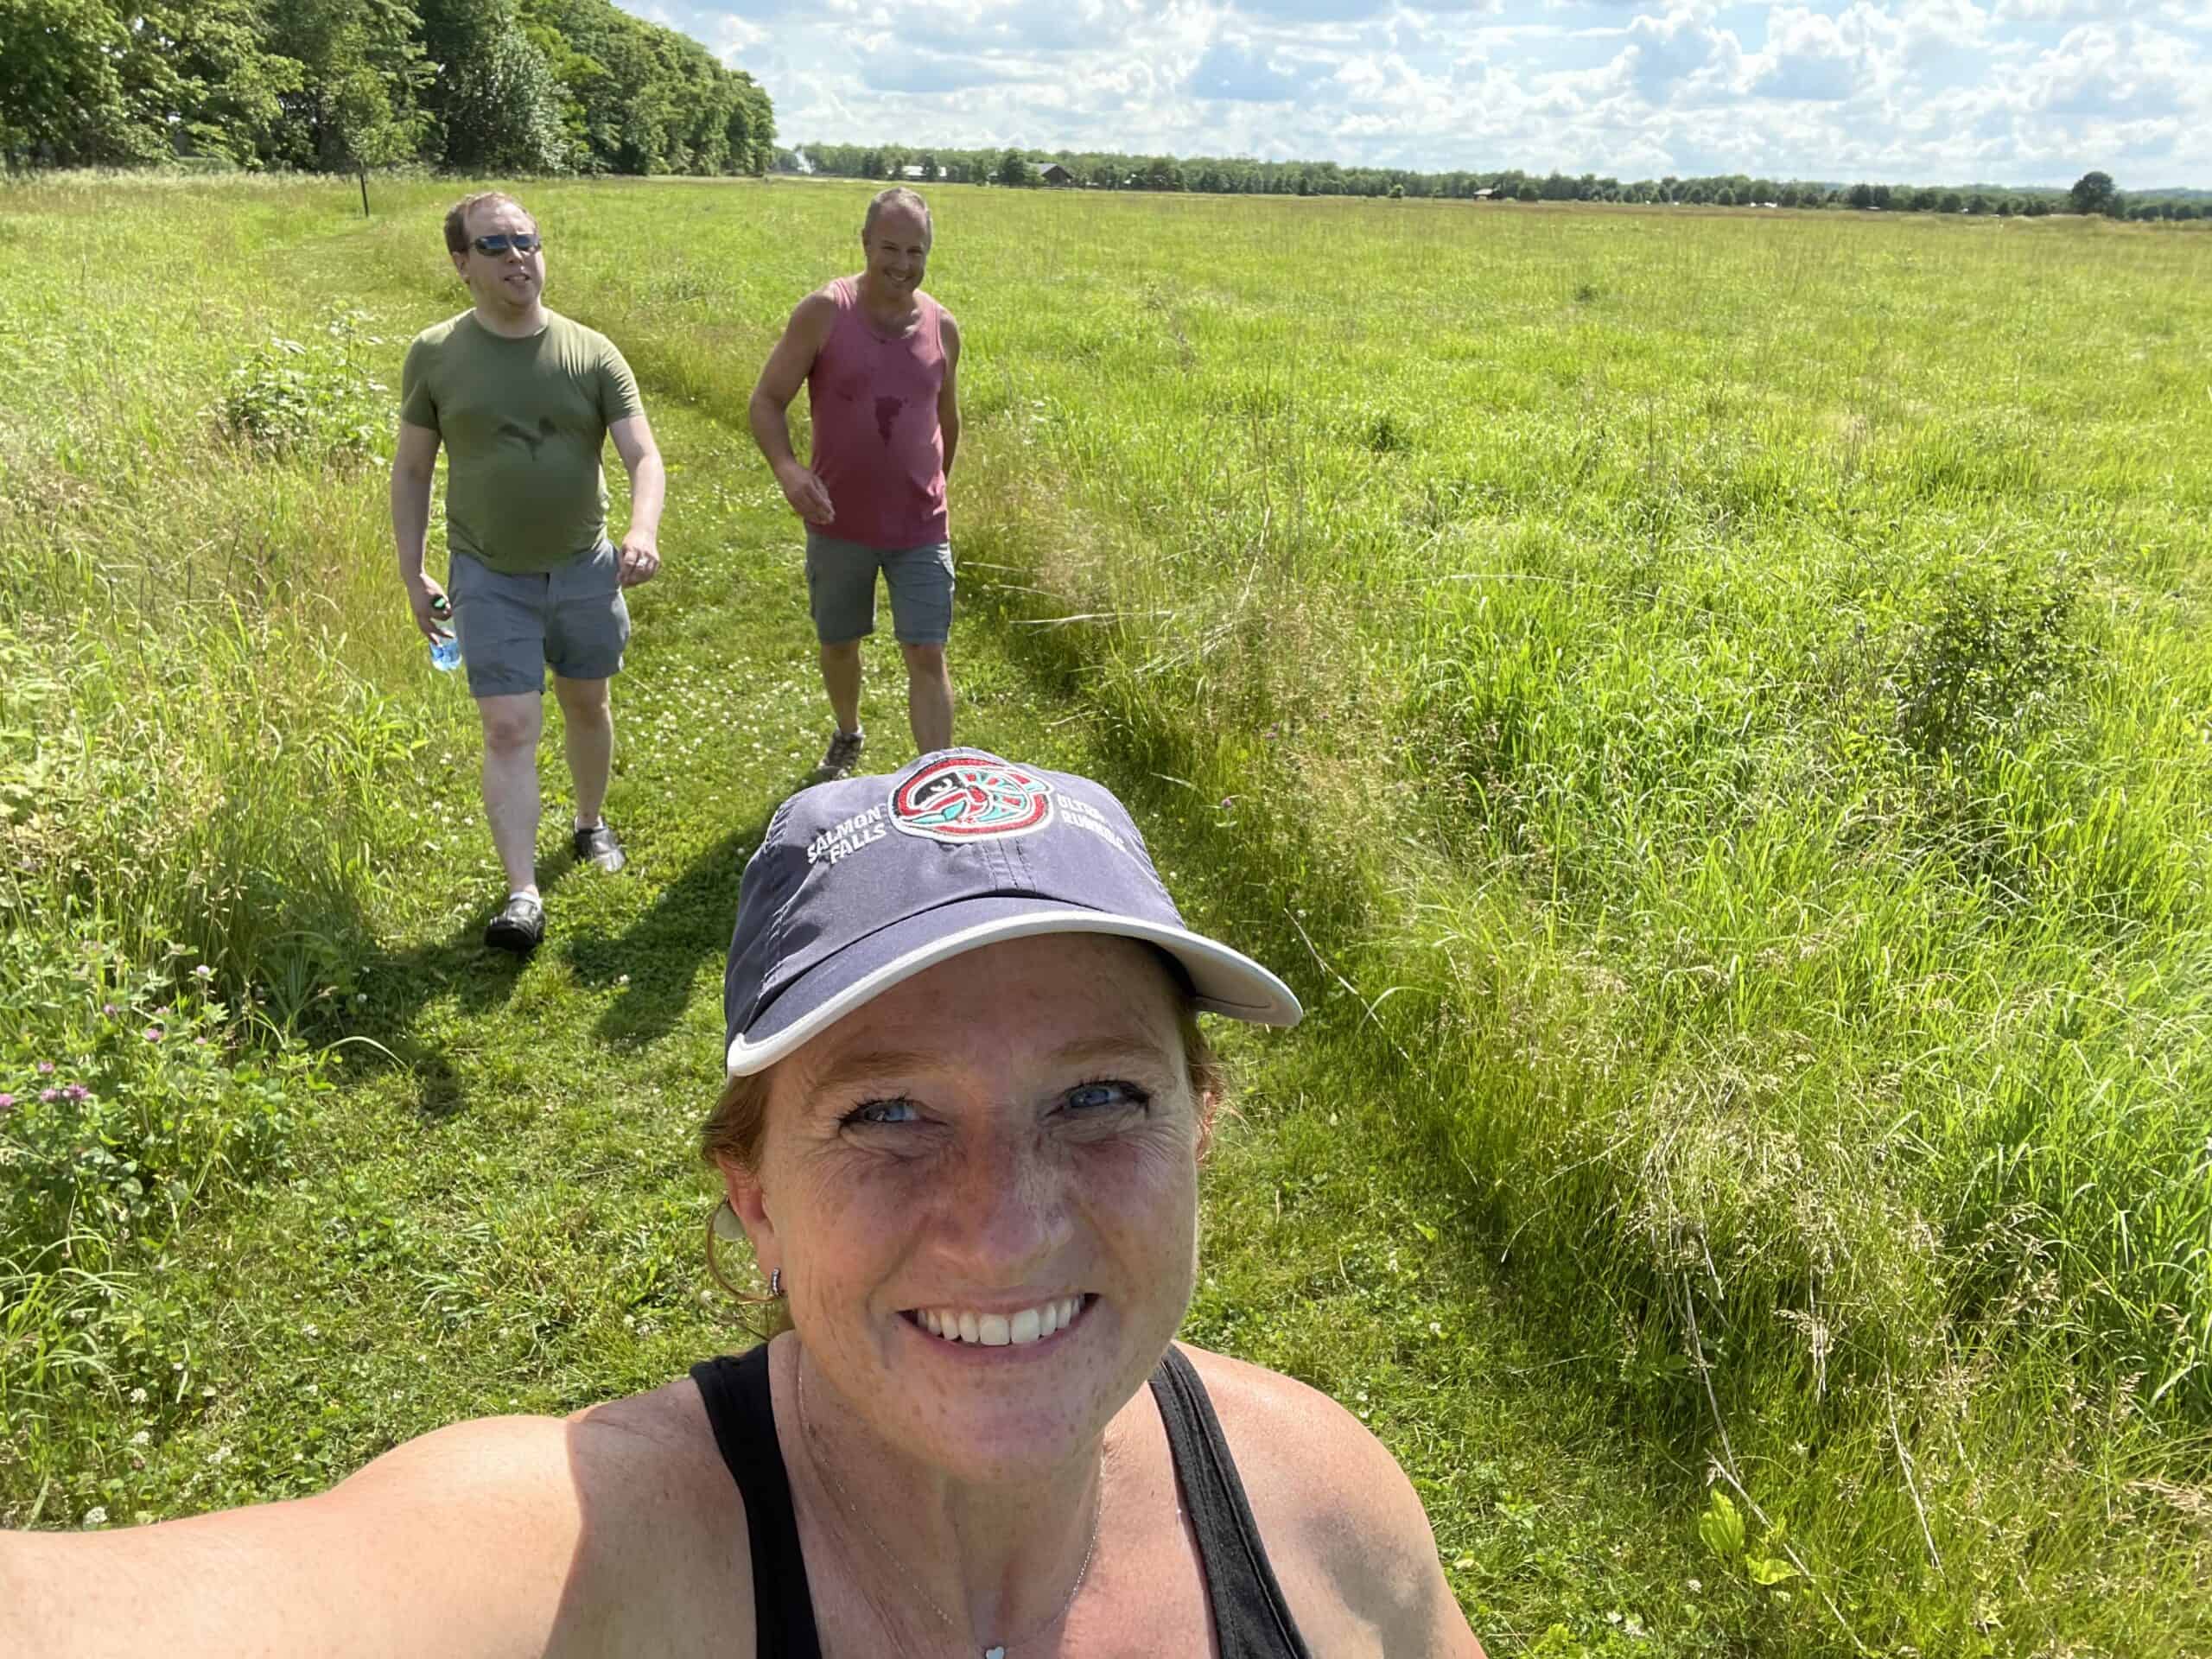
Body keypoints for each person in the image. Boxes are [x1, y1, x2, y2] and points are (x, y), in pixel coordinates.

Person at [0, 749, 1489, 1658]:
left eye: (1100, 1097)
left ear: (1201, 1129)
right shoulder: (596, 1561)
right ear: (754, 1197)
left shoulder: (1321, 1507)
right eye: (886, 1114)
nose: (1009, 1222)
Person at [391, 191, 666, 954]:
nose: (518, 255)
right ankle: (522, 894)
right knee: (508, 727)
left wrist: (641, 529)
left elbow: (643, 455)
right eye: (494, 245)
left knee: (587, 704)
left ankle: (587, 822)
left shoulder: (591, 351)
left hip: (585, 568)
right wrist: (414, 573)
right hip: (488, 575)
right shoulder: (437, 355)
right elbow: (413, 471)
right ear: (460, 264)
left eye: (527, 239)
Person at [750, 187, 961, 782]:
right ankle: (848, 731)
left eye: (915, 250)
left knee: (927, 651)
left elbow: (948, 422)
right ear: (865, 242)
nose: (902, 263)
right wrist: (790, 471)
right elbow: (766, 401)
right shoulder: (825, 312)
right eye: (889, 247)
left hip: (921, 527)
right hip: (838, 521)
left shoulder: (943, 327)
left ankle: (936, 777)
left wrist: (931, 493)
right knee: (840, 641)